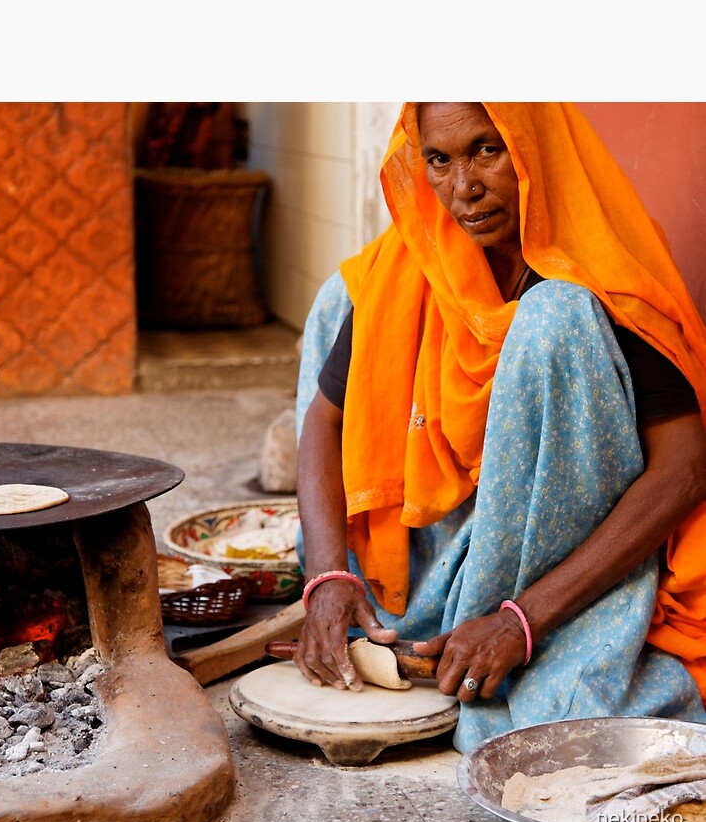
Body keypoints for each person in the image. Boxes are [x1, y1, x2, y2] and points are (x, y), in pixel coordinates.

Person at [292, 102, 706, 754]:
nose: (464, 187)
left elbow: (684, 467)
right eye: (439, 159)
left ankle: (518, 643)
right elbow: (324, 420)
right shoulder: (419, 262)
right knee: (339, 295)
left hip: (560, 564)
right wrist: (326, 576)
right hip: (442, 560)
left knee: (555, 316)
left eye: (488, 150)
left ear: (532, 145)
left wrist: (522, 619)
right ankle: (426, 628)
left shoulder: (597, 265)